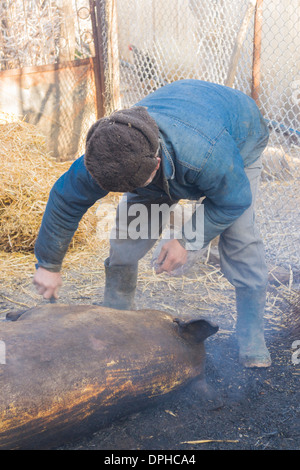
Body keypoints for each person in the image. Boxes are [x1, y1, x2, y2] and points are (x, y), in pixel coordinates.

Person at [33, 79, 271, 368]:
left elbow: (233, 200)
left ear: (156, 165)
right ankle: (117, 313)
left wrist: (186, 240)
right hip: (176, 127)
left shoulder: (206, 154)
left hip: (239, 134)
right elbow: (64, 199)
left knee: (239, 237)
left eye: (133, 185)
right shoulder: (106, 149)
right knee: (129, 233)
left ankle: (252, 337)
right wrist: (48, 264)